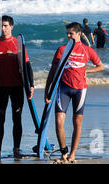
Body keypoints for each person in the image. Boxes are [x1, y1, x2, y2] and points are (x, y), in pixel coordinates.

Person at [44, 22, 104, 163]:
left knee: (77, 122)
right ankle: (64, 151)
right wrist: (48, 91)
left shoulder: (87, 50)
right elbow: (52, 72)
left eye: (71, 33)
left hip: (80, 89)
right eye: (67, 33)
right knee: (59, 121)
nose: (68, 36)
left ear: (78, 34)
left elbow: (100, 66)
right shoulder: (61, 50)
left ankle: (72, 154)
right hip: (63, 89)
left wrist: (86, 71)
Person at [0, 15, 34, 160]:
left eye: (6, 25)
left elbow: (27, 66)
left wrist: (31, 85)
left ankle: (16, 149)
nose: (3, 28)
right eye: (1, 25)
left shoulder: (18, 44)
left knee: (17, 119)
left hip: (17, 87)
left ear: (12, 27)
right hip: (1, 88)